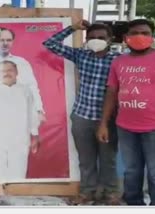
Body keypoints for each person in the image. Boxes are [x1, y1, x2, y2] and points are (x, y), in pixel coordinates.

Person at [97, 19, 155, 206]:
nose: (140, 36)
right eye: (135, 33)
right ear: (126, 38)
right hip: (126, 127)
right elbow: (111, 92)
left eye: (145, 33)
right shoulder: (119, 61)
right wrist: (103, 124)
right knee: (131, 171)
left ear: (152, 37)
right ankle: (134, 205)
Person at [42, 20, 120, 205]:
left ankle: (111, 193)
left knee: (108, 159)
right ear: (86, 40)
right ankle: (87, 192)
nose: (96, 40)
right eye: (92, 37)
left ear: (110, 40)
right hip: (82, 116)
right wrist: (73, 28)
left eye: (101, 38)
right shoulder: (81, 55)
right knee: (86, 159)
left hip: (108, 120)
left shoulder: (119, 60)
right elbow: (50, 44)